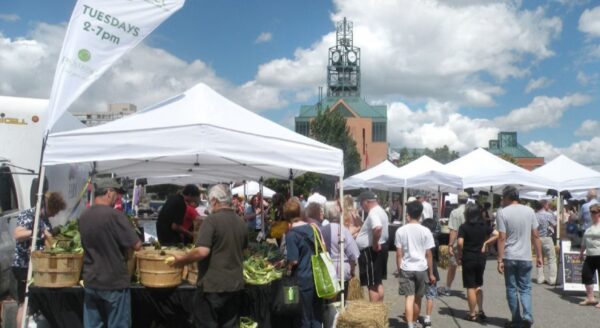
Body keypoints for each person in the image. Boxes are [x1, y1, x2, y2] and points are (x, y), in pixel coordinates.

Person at [170, 184, 248, 328]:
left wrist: (181, 260)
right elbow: (245, 251)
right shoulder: (241, 221)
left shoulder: (211, 221)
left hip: (212, 287)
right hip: (235, 285)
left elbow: (202, 251)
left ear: (214, 201)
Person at [79, 178, 142, 328]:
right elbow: (137, 245)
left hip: (91, 279)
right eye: (116, 194)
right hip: (113, 281)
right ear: (109, 192)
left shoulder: (84, 216)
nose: (118, 198)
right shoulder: (115, 215)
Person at [12, 191, 65, 328]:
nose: (55, 214)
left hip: (37, 266)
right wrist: (38, 232)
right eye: (55, 211)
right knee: (25, 303)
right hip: (24, 266)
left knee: (34, 303)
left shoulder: (44, 219)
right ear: (50, 206)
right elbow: (18, 234)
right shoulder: (29, 215)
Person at [496, 186, 543, 328]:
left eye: (503, 198)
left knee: (511, 288)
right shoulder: (530, 211)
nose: (502, 200)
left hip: (510, 255)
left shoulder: (502, 212)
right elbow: (535, 235)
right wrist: (540, 256)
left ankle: (516, 320)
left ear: (508, 198)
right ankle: (527, 317)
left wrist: (499, 259)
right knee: (525, 288)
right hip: (526, 255)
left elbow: (502, 238)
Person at [395, 201, 436, 328]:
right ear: (420, 215)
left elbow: (398, 254)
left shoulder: (400, 230)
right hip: (421, 268)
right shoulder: (426, 231)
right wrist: (431, 273)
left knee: (409, 298)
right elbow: (429, 254)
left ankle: (410, 325)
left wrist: (399, 269)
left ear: (408, 214)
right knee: (418, 299)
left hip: (406, 267)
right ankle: (414, 321)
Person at [283, 199, 323, 327]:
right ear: (300, 212)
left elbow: (293, 260)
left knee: (303, 317)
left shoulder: (291, 235)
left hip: (301, 280)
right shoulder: (313, 228)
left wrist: (287, 268)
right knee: (316, 314)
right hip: (317, 277)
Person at [457, 203, 499, 322]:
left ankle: (472, 314)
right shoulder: (484, 225)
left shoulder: (464, 227)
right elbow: (497, 234)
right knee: (478, 285)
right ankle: (480, 310)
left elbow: (460, 243)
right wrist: (486, 243)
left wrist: (459, 254)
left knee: (470, 286)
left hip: (468, 257)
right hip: (481, 258)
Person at [321, 201, 360, 299]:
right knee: (342, 299)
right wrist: (352, 270)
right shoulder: (344, 231)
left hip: (327, 268)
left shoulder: (322, 230)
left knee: (329, 299)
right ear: (340, 216)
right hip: (343, 269)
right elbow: (353, 254)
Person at [356, 191, 389, 302]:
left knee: (372, 284)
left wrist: (375, 243)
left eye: (361, 203)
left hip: (371, 251)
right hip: (381, 248)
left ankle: (374, 312)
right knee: (378, 281)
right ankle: (379, 310)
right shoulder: (381, 211)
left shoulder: (373, 213)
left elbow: (378, 228)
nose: (361, 206)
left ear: (366, 202)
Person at [441, 191, 469, 296]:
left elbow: (453, 231)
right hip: (470, 242)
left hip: (458, 242)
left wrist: (450, 245)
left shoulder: (455, 212)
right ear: (467, 200)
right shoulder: (471, 211)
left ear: (458, 200)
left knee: (452, 266)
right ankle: (470, 289)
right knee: (468, 267)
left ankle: (448, 288)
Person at [578, 203, 600, 307]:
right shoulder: (589, 227)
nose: (592, 214)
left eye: (594, 212)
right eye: (591, 212)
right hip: (590, 255)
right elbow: (584, 240)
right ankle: (590, 298)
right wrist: (581, 252)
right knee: (586, 274)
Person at [421, 217, 440, 328]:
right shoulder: (435, 242)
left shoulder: (418, 238)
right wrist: (431, 273)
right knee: (430, 296)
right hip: (432, 271)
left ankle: (413, 316)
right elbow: (435, 258)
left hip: (418, 269)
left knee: (416, 296)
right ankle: (427, 318)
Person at [534, 200, 557, 285]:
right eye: (548, 204)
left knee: (539, 257)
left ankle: (540, 278)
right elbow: (554, 224)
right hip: (547, 238)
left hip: (537, 238)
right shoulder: (548, 215)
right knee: (551, 258)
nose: (549, 206)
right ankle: (552, 279)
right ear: (544, 205)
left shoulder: (535, 215)